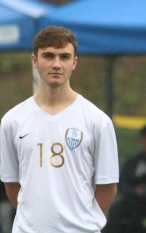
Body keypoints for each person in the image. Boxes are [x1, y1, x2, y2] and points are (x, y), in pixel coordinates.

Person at [0, 26, 119, 233]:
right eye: (48, 56)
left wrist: (81, 222)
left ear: (74, 63)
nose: (56, 64)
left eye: (64, 57)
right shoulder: (13, 120)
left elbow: (107, 187)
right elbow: (11, 185)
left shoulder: (97, 120)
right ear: (34, 60)